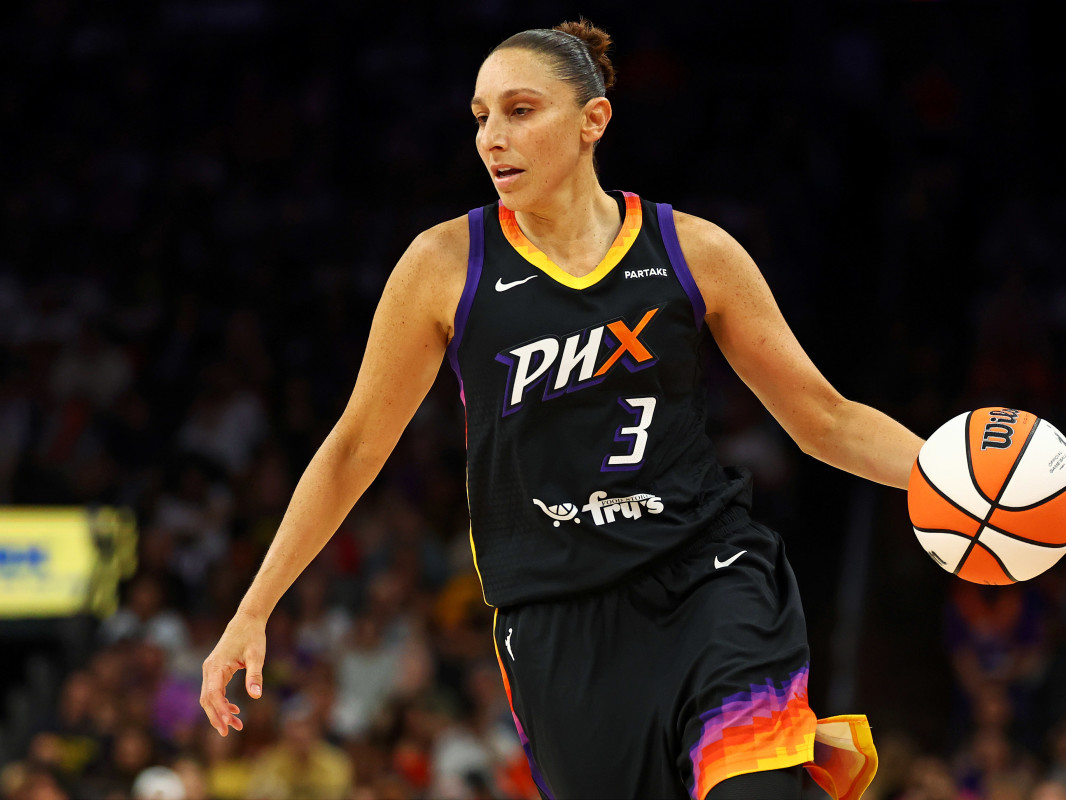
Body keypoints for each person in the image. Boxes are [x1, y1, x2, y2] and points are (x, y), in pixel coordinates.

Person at [199, 20, 924, 800]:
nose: (492, 139)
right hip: (554, 618)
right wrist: (254, 608)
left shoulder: (692, 250)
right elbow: (353, 450)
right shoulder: (445, 264)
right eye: (481, 117)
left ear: (593, 121)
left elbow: (825, 420)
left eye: (519, 111)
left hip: (708, 579)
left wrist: (947, 477)